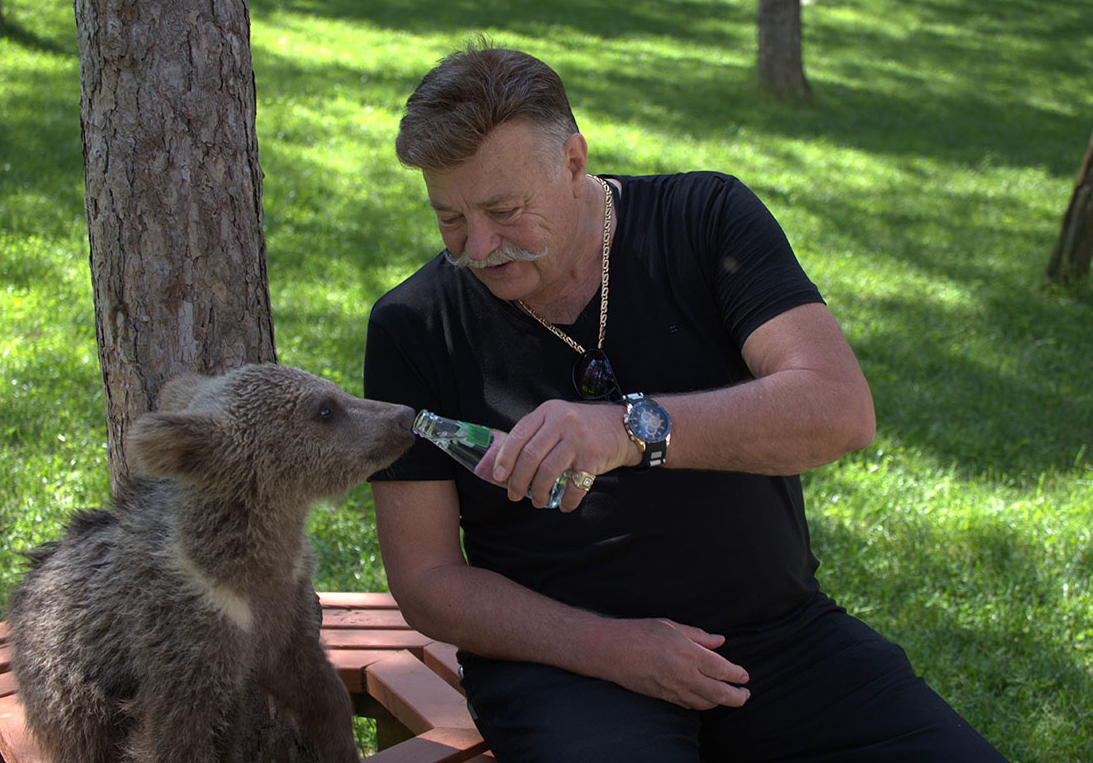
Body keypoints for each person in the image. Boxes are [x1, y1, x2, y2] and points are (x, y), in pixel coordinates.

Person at [363, 44, 1006, 762]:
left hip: (777, 639)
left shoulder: (704, 220)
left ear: (573, 163)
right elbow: (426, 581)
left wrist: (633, 429)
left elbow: (838, 409)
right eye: (448, 217)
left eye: (504, 210)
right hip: (566, 667)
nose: (478, 246)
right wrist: (612, 648)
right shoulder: (411, 326)